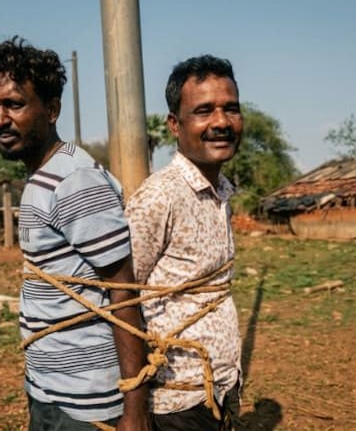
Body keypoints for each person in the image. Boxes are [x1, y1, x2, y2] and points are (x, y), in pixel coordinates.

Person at [0, 37, 149, 431]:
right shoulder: (44, 176)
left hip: (84, 404)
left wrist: (134, 406)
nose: (0, 119)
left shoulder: (74, 181)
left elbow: (123, 290)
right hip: (52, 390)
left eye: (14, 105)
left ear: (51, 109)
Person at [125, 55, 244, 430]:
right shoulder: (160, 197)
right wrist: (134, 407)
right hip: (175, 402)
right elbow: (120, 300)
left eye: (231, 109)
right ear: (175, 125)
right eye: (204, 111)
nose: (221, 122)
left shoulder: (218, 191)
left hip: (218, 388)